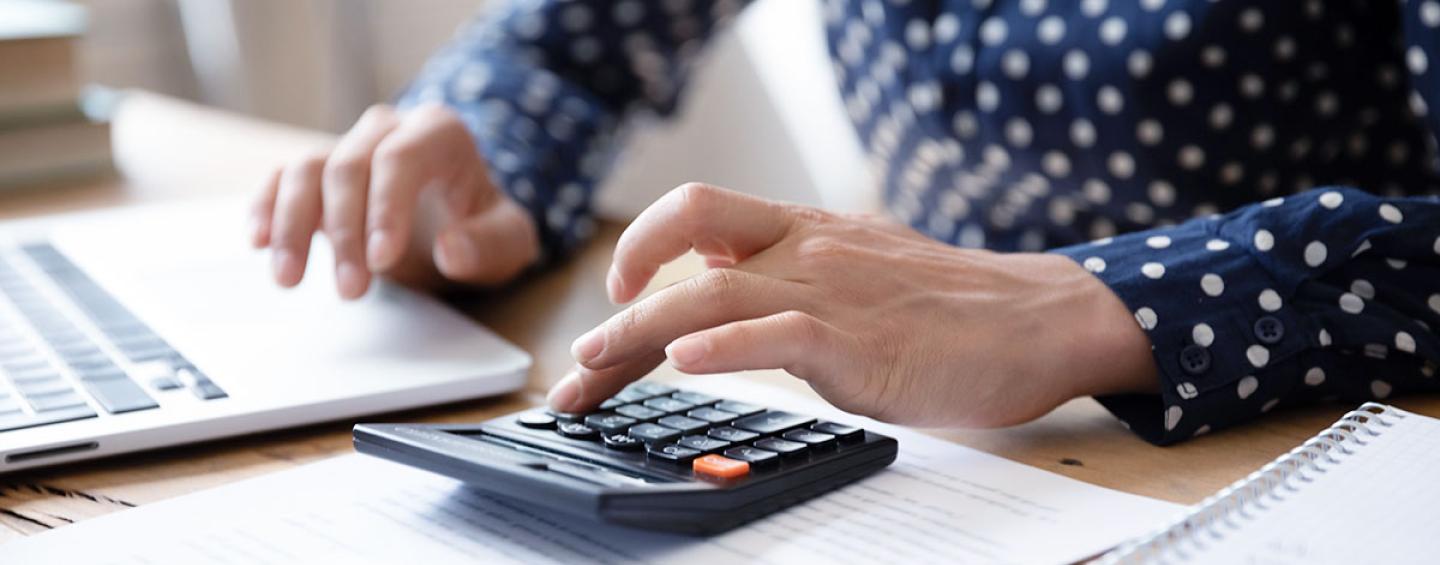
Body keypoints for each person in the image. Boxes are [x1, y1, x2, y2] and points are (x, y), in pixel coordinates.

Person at [250, 0, 1440, 445]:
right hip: (958, 443)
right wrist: (478, 179)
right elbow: (564, 46)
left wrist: (1099, 297)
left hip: (1318, 439)